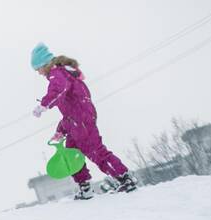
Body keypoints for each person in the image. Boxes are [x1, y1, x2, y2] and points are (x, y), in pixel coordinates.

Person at [31, 43, 136, 199]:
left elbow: (57, 91)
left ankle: (125, 178)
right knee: (71, 153)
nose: (38, 73)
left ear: (44, 64)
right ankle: (85, 187)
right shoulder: (62, 74)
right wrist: (61, 130)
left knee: (95, 151)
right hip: (76, 121)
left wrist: (43, 105)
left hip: (81, 121)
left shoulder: (57, 74)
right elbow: (69, 111)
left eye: (37, 69)